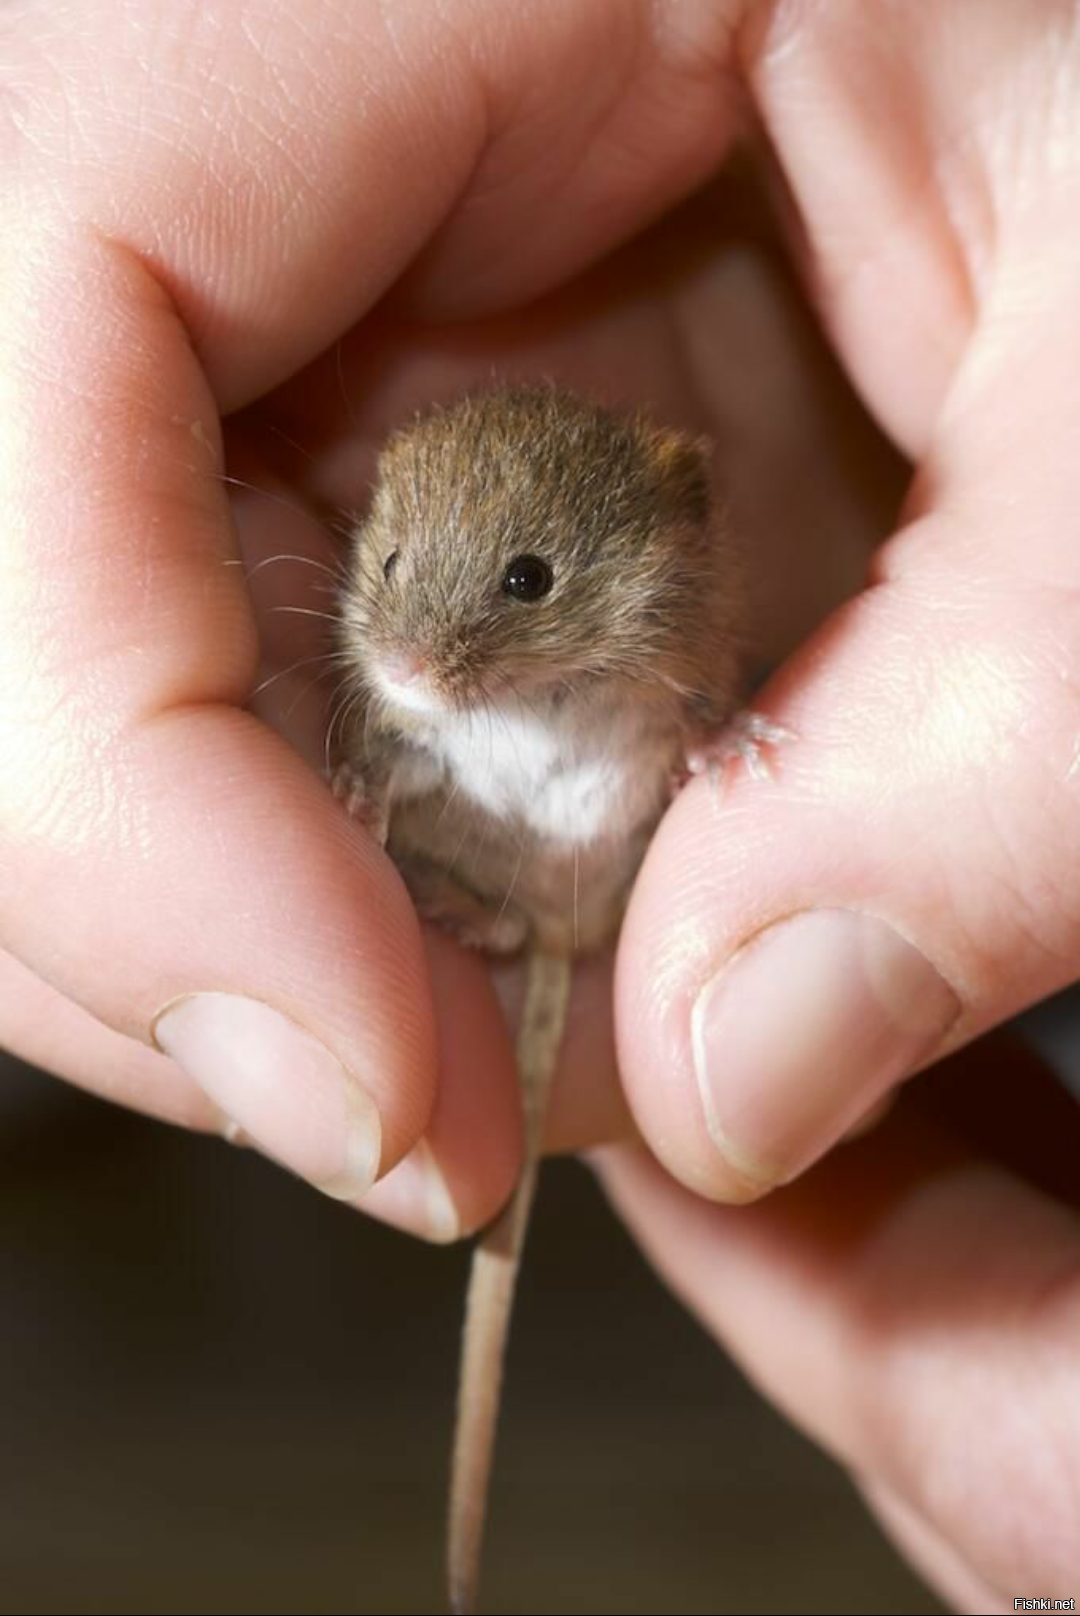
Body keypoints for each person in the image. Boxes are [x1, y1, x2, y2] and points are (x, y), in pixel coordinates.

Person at [1, 2, 1076, 1606]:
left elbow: (686, 683)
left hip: (633, 873)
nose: (424, 649)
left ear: (639, 544)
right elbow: (406, 688)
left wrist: (720, 743)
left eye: (516, 588)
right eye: (386, 577)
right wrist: (383, 764)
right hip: (510, 884)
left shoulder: (664, 595)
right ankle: (490, 915)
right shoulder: (401, 658)